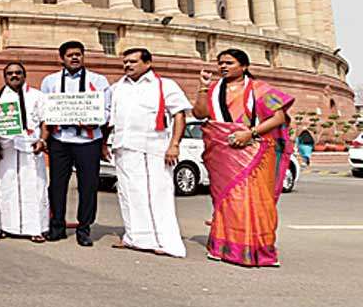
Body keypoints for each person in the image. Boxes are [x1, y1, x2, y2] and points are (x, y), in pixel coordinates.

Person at [191, 48, 295, 267]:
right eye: (220, 63)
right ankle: (223, 247)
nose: (223, 66)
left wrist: (250, 133)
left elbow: (279, 118)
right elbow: (200, 114)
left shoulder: (260, 89)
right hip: (222, 151)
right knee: (227, 199)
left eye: (229, 62)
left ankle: (259, 250)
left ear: (244, 66)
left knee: (255, 200)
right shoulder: (214, 89)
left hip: (254, 150)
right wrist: (203, 86)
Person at [107, 47, 190, 258]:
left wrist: (174, 144)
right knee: (128, 194)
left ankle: (165, 241)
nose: (127, 65)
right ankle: (135, 237)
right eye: (125, 62)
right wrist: (105, 143)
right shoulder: (117, 88)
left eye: (133, 61)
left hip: (152, 148)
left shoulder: (164, 85)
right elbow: (110, 118)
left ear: (148, 63)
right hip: (123, 147)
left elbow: (179, 115)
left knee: (157, 195)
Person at [39, 41, 110, 246]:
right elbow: (44, 110)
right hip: (60, 139)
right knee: (57, 186)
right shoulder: (50, 81)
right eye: (70, 55)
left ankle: (84, 228)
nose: (75, 58)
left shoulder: (98, 80)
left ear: (83, 56)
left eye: (78, 54)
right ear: (62, 58)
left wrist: (94, 120)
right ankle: (57, 226)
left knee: (88, 186)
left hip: (88, 140)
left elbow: (106, 110)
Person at [0, 62, 48, 243]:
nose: (14, 76)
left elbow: (46, 121)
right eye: (10, 73)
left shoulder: (37, 96)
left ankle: (37, 228)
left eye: (18, 73)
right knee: (8, 187)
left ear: (24, 75)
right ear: (4, 76)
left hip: (31, 147)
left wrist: (43, 140)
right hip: (7, 149)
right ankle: (8, 226)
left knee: (35, 187)